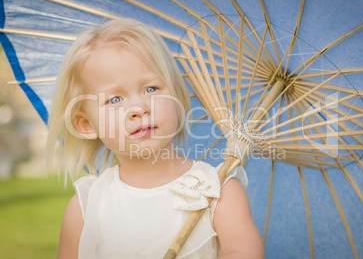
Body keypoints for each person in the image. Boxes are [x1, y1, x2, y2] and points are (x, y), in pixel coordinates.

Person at [45, 19, 264, 258]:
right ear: (86, 124)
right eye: (114, 100)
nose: (138, 107)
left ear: (178, 98)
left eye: (151, 89)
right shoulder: (86, 209)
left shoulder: (218, 192)